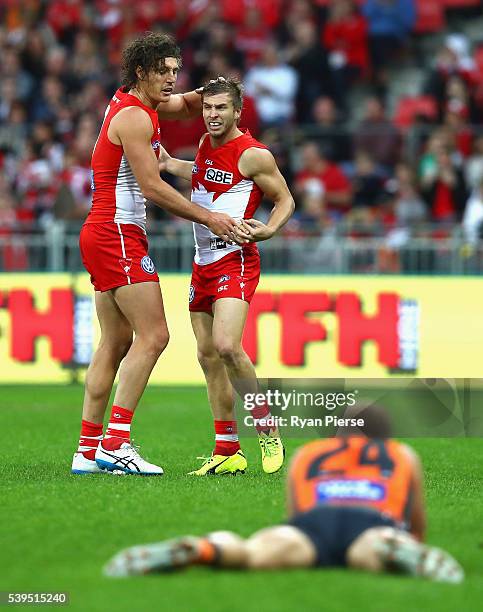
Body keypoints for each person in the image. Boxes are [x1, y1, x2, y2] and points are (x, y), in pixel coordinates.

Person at [71, 33, 242, 476]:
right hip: (118, 232)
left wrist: (215, 92)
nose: (171, 79)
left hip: (104, 230)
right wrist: (209, 217)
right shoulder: (135, 119)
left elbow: (186, 104)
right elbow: (151, 187)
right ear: (141, 72)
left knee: (116, 342)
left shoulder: (136, 105)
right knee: (155, 337)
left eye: (174, 70)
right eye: (162, 72)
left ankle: (88, 450)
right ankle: (116, 442)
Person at [104, 405, 464, 583]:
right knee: (374, 550)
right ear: (385, 435)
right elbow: (417, 523)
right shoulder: (401, 455)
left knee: (253, 553)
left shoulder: (309, 454)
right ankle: (392, 548)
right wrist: (411, 541)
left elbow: (296, 514)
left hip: (313, 526)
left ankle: (205, 547)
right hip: (371, 523)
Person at [158, 78, 295, 475]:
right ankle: (227, 450)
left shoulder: (254, 155)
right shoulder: (205, 144)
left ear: (238, 112)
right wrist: (168, 165)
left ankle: (267, 428)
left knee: (227, 346)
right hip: (202, 262)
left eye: (220, 109)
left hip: (235, 259)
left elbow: (285, 198)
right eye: (207, 108)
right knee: (206, 355)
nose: (212, 115)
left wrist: (268, 229)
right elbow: (204, 175)